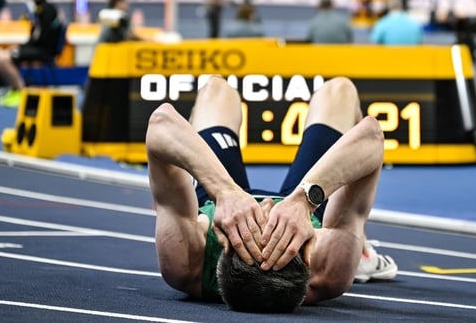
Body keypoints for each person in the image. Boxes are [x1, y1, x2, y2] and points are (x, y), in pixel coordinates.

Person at [145, 76, 398, 312]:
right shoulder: (328, 270)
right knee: (340, 90)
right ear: (308, 255)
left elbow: (161, 122)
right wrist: (302, 202)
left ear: (223, 245)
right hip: (307, 205)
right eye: (279, 232)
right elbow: (371, 136)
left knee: (216, 89)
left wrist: (224, 192)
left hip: (218, 204)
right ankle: (361, 245)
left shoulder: (188, 262)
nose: (266, 204)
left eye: (252, 229)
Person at [0, 0, 62, 108]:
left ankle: (21, 90)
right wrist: (20, 46)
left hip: (43, 51)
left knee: (4, 58)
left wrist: (20, 49)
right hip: (34, 47)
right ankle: (14, 88)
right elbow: (34, 36)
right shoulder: (36, 9)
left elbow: (43, 39)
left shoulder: (48, 10)